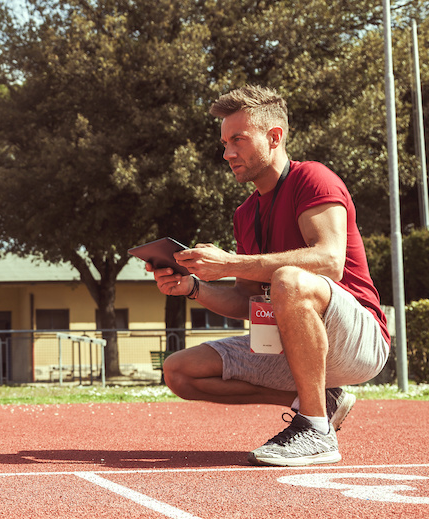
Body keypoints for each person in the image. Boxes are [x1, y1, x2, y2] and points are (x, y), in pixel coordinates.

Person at [150, 85, 390, 467]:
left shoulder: (314, 178)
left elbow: (330, 261)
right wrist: (194, 287)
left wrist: (228, 263)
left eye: (238, 140)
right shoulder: (245, 214)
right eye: (225, 142)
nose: (227, 153)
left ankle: (315, 430)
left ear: (274, 137)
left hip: (357, 339)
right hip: (292, 344)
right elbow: (248, 302)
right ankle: (320, 401)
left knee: (288, 280)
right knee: (179, 371)